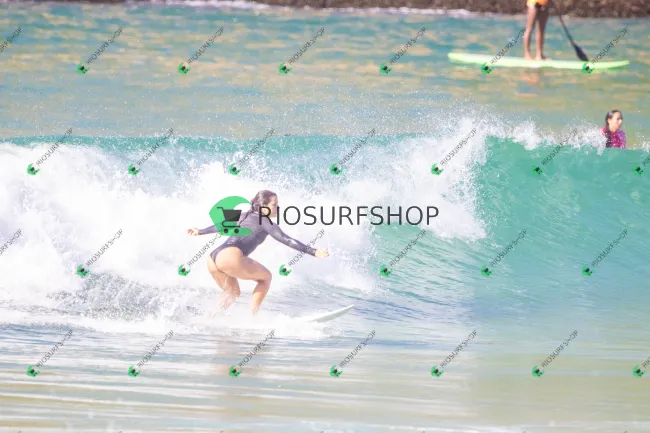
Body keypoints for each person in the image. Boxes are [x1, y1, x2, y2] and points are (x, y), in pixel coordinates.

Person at [187, 190, 329, 315]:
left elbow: (221, 225)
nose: (278, 208)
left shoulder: (242, 215)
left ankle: (212, 316)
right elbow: (286, 239)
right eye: (274, 205)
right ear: (263, 207)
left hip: (213, 259)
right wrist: (314, 251)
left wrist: (200, 231)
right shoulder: (266, 221)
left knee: (232, 293)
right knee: (266, 278)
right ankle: (253, 316)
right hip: (230, 256)